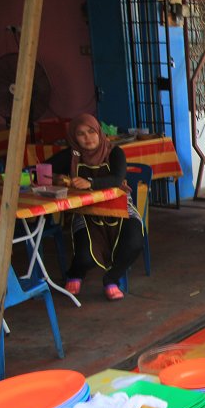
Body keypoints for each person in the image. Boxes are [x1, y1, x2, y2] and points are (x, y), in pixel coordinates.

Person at [46, 114, 144, 301]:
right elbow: (40, 168)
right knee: (85, 256)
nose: (87, 138)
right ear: (74, 138)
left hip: (120, 207)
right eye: (81, 134)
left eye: (91, 132)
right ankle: (76, 273)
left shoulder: (114, 153)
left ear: (99, 132)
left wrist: (90, 182)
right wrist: (55, 178)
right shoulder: (72, 155)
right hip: (86, 211)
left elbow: (116, 179)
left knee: (134, 243)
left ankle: (111, 278)